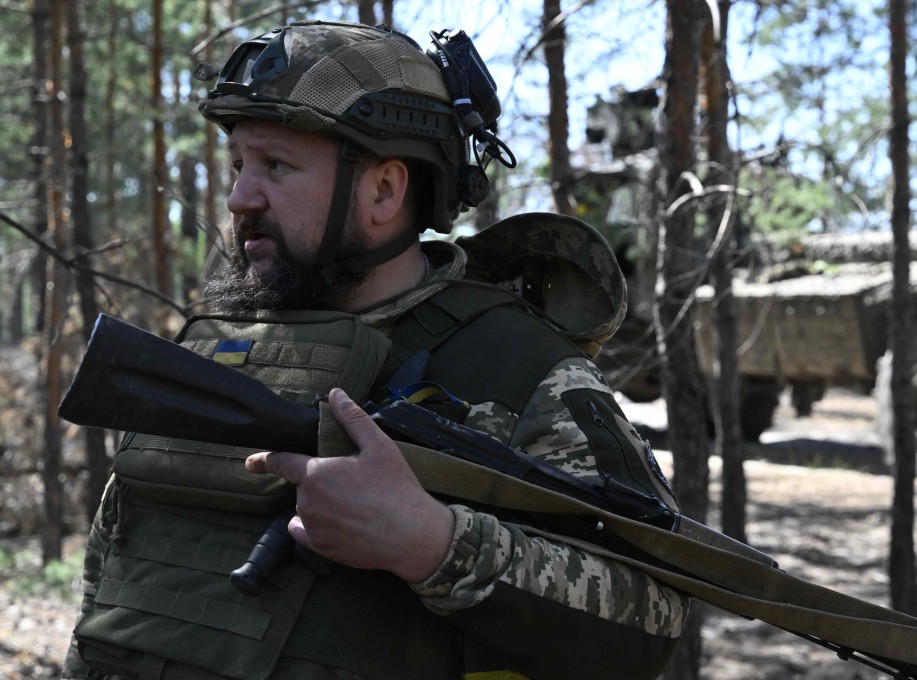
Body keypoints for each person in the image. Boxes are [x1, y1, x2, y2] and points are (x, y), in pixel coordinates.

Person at [62, 20, 687, 680]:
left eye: (276, 165)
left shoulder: (516, 366)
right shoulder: (226, 347)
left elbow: (651, 617)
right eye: (239, 165)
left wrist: (432, 544)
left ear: (384, 190)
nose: (241, 196)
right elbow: (112, 574)